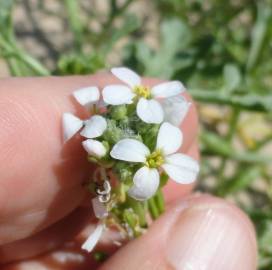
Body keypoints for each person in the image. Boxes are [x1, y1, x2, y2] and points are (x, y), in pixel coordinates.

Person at [0, 73, 257, 269]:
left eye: (156, 160)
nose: (156, 160)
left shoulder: (155, 135)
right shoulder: (130, 137)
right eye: (155, 160)